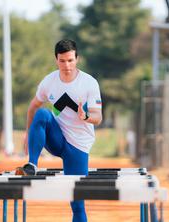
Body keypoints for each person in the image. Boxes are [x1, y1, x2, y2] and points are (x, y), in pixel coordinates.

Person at [15, 39, 103, 222]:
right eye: (62, 61)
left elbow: (98, 117)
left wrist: (85, 116)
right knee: (42, 114)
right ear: (56, 60)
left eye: (70, 60)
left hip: (78, 145)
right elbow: (32, 108)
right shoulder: (49, 81)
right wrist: (27, 134)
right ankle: (32, 164)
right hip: (57, 138)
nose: (67, 65)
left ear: (77, 59)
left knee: (77, 204)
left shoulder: (89, 83)